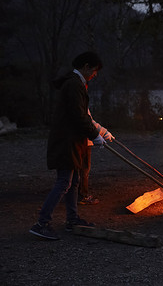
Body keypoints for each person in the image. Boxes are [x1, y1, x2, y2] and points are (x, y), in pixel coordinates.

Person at [29, 51, 106, 240]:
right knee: (64, 181)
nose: (94, 75)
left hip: (72, 141)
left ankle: (72, 219)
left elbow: (82, 116)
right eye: (94, 71)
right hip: (66, 141)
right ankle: (42, 223)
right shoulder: (73, 85)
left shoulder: (76, 83)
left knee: (73, 182)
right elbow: (79, 116)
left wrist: (98, 133)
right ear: (86, 66)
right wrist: (95, 135)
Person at [78, 109, 115, 205]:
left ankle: (76, 195)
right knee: (84, 169)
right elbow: (88, 121)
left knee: (78, 170)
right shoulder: (79, 98)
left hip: (78, 141)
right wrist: (103, 133)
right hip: (83, 141)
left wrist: (103, 133)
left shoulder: (75, 98)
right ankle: (82, 196)